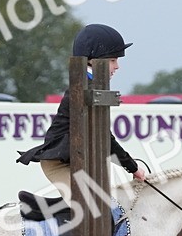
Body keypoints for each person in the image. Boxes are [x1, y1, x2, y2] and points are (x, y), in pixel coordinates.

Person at [16, 23, 147, 200]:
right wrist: (132, 167)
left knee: (107, 206)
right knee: (90, 206)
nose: (117, 66)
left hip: (77, 160)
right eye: (113, 60)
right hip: (60, 163)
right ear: (92, 60)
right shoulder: (83, 88)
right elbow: (104, 136)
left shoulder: (94, 86)